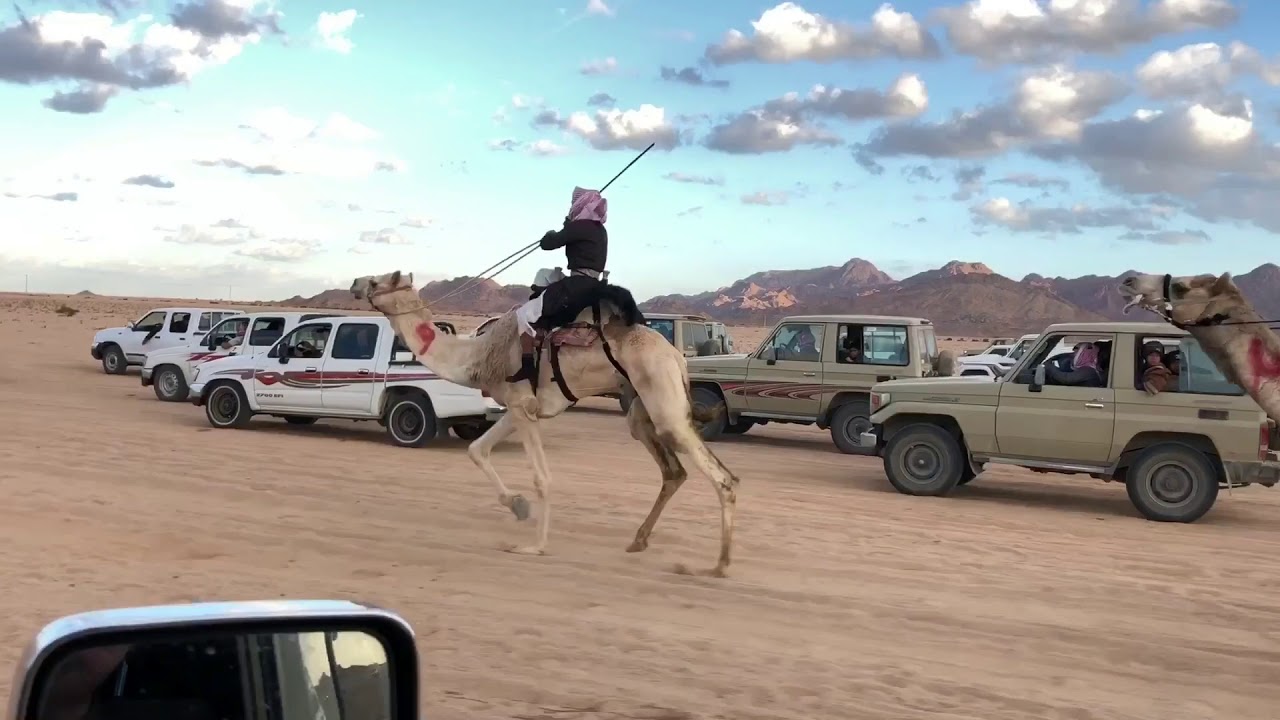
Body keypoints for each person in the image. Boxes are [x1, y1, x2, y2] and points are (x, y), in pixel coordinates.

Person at [512, 187, 609, 377]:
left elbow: (549, 243)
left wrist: (554, 231)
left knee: (521, 316)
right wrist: (568, 224)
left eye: (574, 203)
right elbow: (569, 233)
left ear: (580, 205)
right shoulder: (600, 230)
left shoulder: (581, 226)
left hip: (577, 285)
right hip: (593, 283)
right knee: (545, 274)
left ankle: (527, 367)